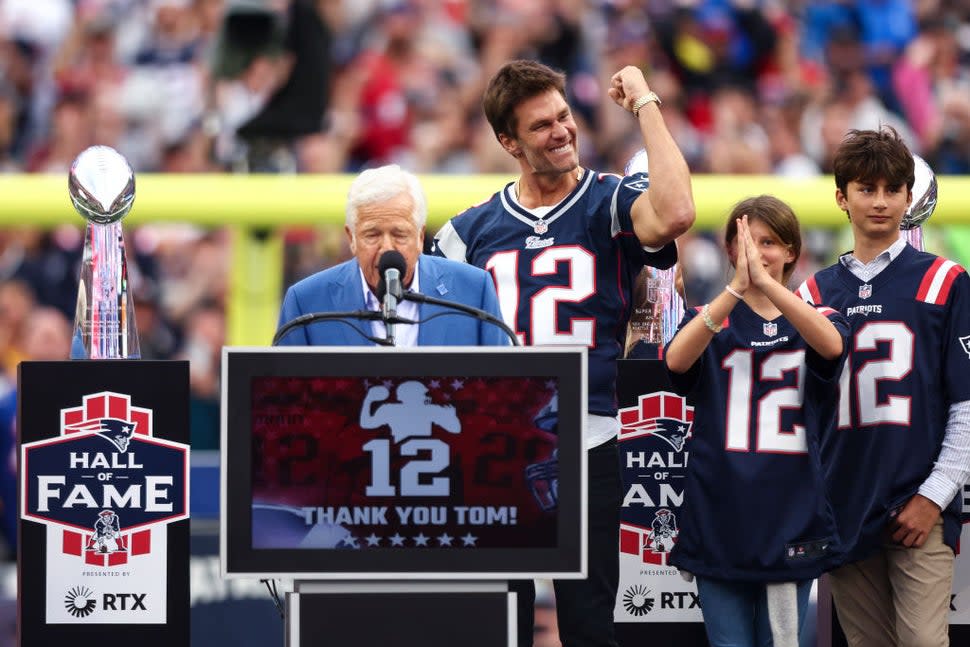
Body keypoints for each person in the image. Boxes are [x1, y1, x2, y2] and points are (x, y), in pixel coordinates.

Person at [433, 59, 695, 647]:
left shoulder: (608, 200)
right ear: (508, 142)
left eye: (564, 115)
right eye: (541, 125)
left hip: (592, 439)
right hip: (497, 450)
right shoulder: (466, 233)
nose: (562, 131)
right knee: (495, 620)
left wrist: (646, 100)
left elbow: (677, 211)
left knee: (591, 623)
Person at [796, 127, 970, 647]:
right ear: (841, 197)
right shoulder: (812, 292)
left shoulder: (945, 281)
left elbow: (966, 403)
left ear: (908, 197)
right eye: (866, 189)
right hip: (845, 506)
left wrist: (934, 498)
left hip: (917, 502)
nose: (880, 202)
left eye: (892, 190)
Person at [664, 198, 849, 647]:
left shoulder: (816, 318)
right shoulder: (711, 323)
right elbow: (674, 360)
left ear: (791, 251)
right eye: (748, 240)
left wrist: (767, 284)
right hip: (719, 512)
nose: (758, 251)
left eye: (770, 242)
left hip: (788, 516)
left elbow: (831, 347)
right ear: (729, 249)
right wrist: (734, 291)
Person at [277, 164, 508, 347]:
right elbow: (284, 400)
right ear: (351, 239)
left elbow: (501, 391)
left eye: (400, 234)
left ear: (420, 237)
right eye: (372, 235)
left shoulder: (473, 291)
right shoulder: (306, 302)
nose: (387, 247)